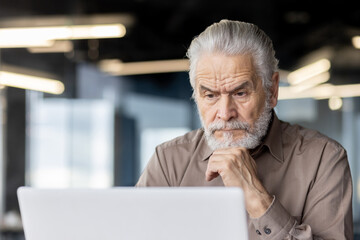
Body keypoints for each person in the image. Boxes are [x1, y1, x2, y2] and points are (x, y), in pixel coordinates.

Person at [136, 20, 353, 239]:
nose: (224, 113)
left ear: (272, 90)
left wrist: (256, 197)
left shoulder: (323, 159)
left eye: (240, 94)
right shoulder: (169, 161)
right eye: (210, 96)